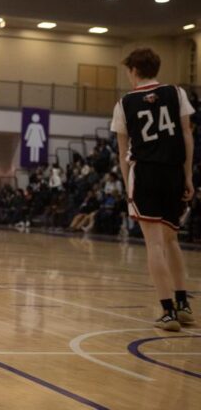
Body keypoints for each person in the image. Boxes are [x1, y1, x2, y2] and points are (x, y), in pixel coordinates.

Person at [111, 47, 195, 331]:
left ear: (133, 70)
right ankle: (183, 304)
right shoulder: (176, 92)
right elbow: (186, 136)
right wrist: (187, 176)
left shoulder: (124, 103)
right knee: (171, 240)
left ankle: (167, 311)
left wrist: (127, 185)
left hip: (145, 173)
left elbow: (123, 152)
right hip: (173, 170)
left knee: (155, 244)